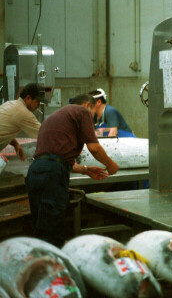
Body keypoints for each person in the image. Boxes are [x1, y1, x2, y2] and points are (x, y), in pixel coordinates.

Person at [26, 94, 120, 247]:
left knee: (40, 227)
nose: (92, 120)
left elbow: (58, 158)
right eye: (94, 115)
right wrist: (111, 165)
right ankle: (54, 265)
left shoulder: (55, 117)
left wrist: (85, 170)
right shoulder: (82, 112)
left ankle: (41, 263)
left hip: (36, 170)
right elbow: (94, 148)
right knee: (53, 228)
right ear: (88, 105)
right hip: (52, 173)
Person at [0, 83, 45, 160]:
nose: (38, 105)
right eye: (37, 101)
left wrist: (15, 144)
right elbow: (45, 133)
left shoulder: (10, 104)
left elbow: (3, 130)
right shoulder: (23, 112)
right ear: (28, 98)